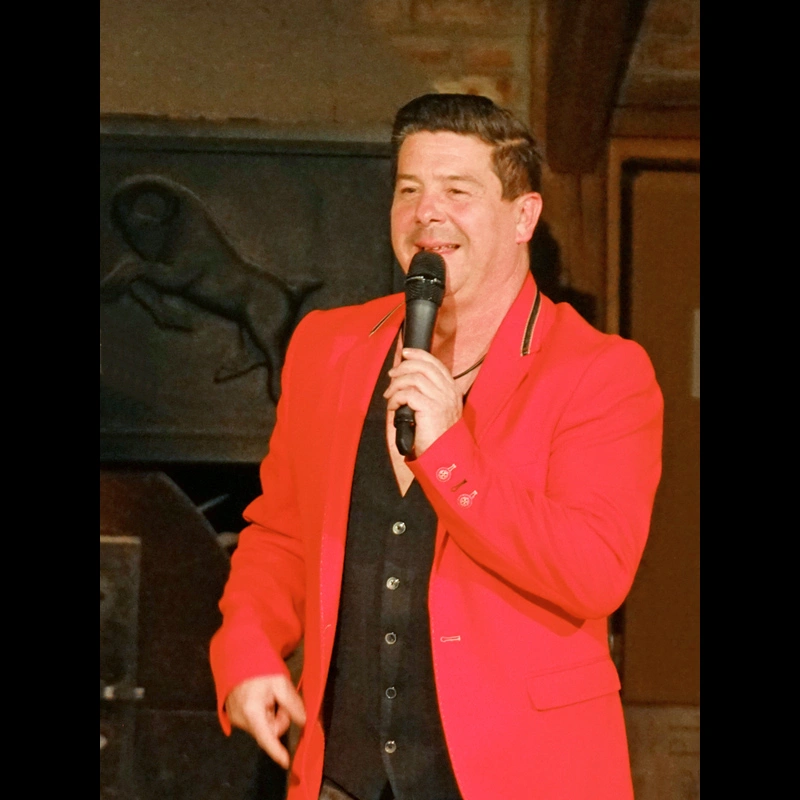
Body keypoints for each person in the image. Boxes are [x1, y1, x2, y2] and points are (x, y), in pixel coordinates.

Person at [209, 93, 663, 800]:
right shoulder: (328, 346)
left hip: (520, 775)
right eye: (409, 190)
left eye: (458, 191)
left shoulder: (600, 372)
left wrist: (451, 450)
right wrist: (247, 647)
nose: (427, 212)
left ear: (524, 217)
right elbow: (282, 535)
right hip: (344, 775)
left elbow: (594, 571)